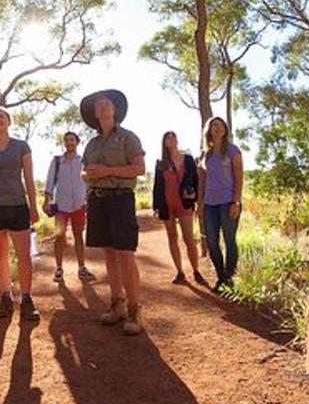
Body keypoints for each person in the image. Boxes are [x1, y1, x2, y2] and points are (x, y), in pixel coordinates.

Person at [81, 90, 146, 335]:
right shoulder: (92, 143)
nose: (103, 106)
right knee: (109, 253)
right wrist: (89, 175)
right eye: (99, 105)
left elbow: (139, 168)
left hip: (121, 199)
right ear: (95, 114)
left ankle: (134, 310)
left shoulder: (128, 138)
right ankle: (116, 304)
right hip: (97, 200)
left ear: (115, 110)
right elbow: (85, 172)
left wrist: (107, 171)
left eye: (107, 103)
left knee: (125, 254)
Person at [0, 107, 41, 323]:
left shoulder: (21, 146)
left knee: (24, 255)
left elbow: (29, 179)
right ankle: (5, 297)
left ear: (8, 121)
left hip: (17, 206)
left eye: (1, 116)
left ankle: (27, 300)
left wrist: (33, 207)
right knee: (0, 254)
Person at [152, 131, 208, 287]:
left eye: (173, 137)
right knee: (172, 237)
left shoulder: (188, 159)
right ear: (164, 142)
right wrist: (156, 206)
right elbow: (157, 186)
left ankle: (196, 271)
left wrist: (196, 198)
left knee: (188, 238)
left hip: (184, 202)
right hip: (166, 203)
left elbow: (196, 180)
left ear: (177, 140)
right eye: (167, 138)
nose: (171, 140)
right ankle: (180, 272)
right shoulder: (161, 163)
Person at [198, 116, 244, 293]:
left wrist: (236, 201)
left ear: (225, 129)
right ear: (209, 131)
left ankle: (229, 278)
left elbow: (239, 178)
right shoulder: (205, 155)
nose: (217, 128)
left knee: (229, 240)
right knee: (211, 241)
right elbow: (202, 181)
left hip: (228, 202)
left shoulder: (233, 151)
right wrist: (200, 203)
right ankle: (221, 276)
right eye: (214, 125)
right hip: (210, 204)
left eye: (220, 125)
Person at [42, 131, 92, 283]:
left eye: (72, 140)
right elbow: (49, 181)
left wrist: (90, 201)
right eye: (67, 140)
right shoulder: (57, 161)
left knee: (78, 236)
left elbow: (89, 182)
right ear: (64, 143)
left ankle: (82, 268)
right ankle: (58, 268)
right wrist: (46, 200)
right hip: (61, 206)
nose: (69, 142)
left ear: (77, 142)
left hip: (79, 205)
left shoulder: (84, 161)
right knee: (59, 237)